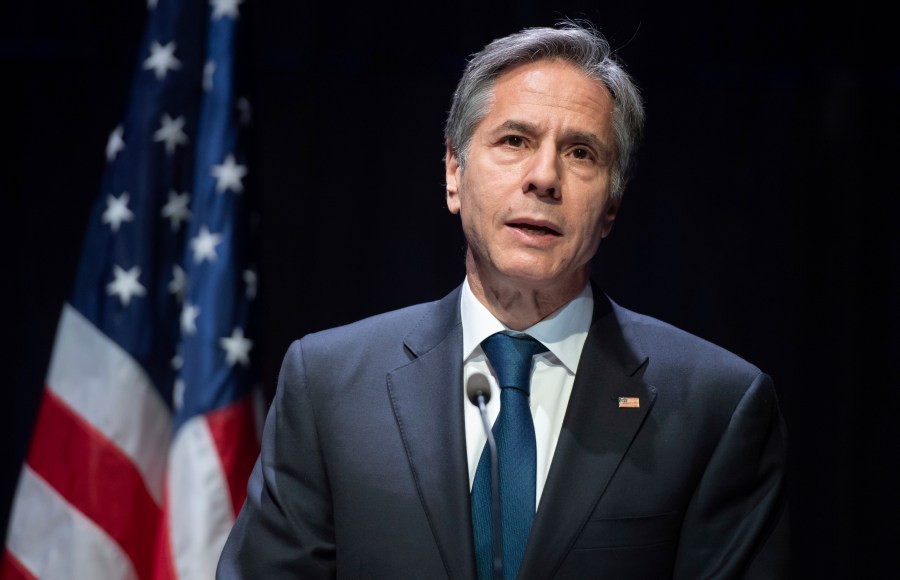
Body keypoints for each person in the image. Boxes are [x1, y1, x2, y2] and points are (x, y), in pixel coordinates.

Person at [217, 20, 789, 579]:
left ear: (612, 206)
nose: (544, 177)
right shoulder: (329, 384)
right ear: (453, 174)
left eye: (582, 153)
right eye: (515, 141)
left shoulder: (716, 405)